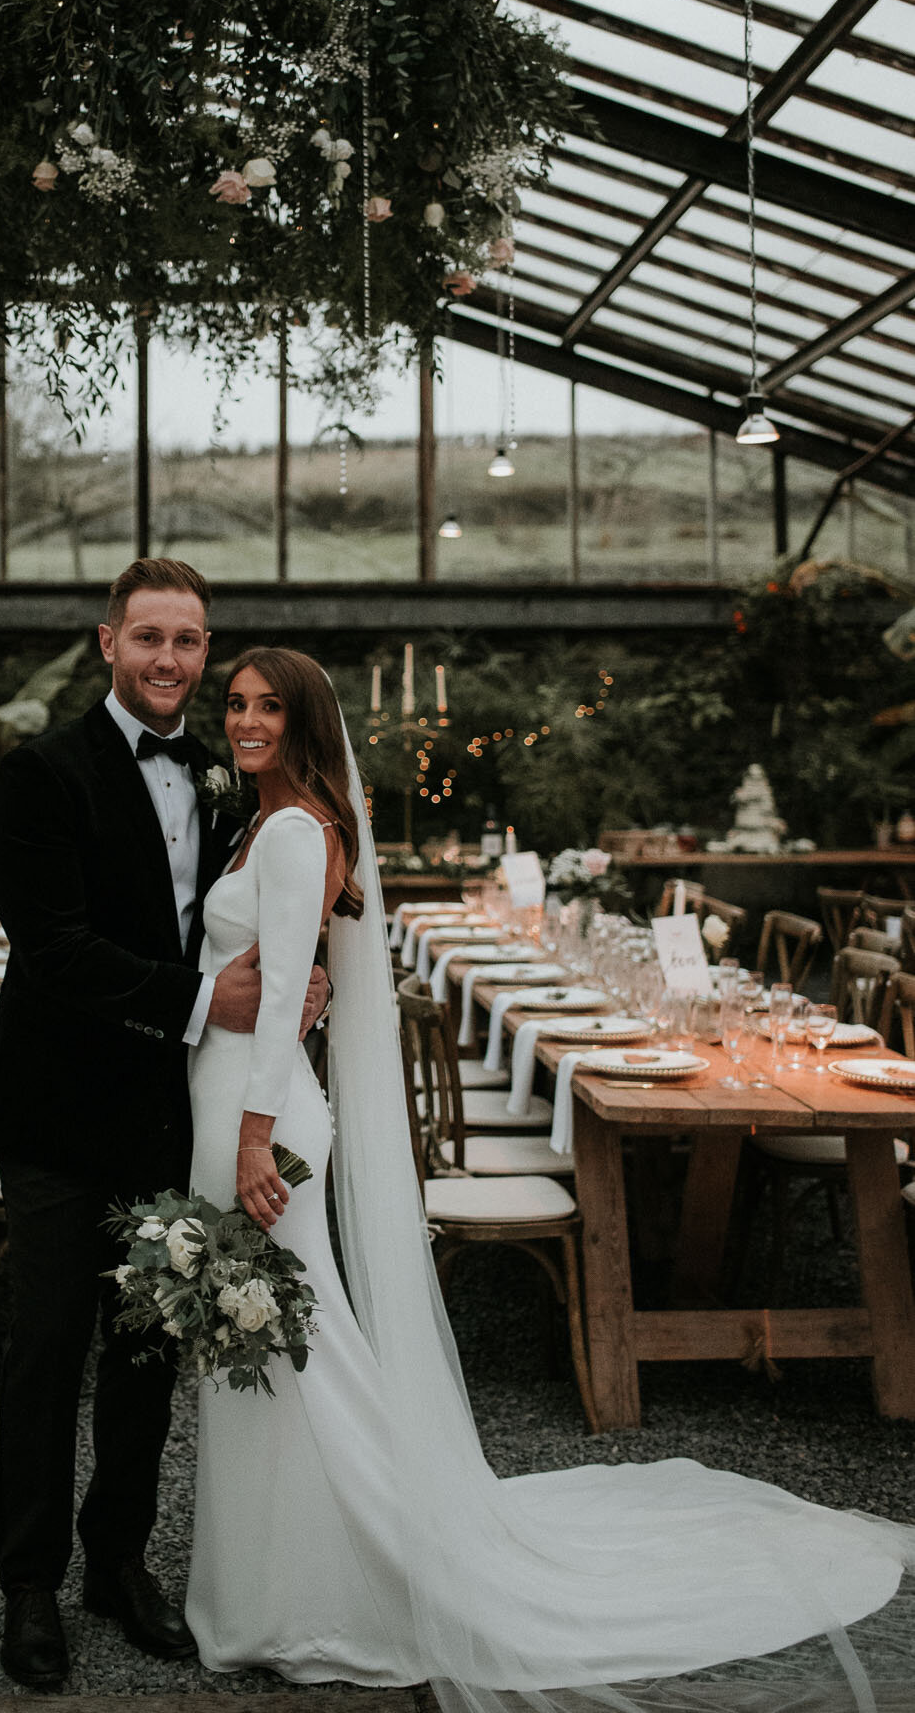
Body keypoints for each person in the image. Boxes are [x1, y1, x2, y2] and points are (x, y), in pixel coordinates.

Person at [184, 645, 915, 1712]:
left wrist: (253, 1134)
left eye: (266, 707)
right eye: (236, 704)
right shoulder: (264, 820)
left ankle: (332, 1579)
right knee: (268, 1337)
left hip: (258, 1113)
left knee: (288, 1336)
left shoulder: (295, 830)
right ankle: (281, 1570)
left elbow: (296, 979)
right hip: (238, 1099)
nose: (245, 721)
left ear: (306, 724)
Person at [0, 562, 326, 1690]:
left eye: (190, 640)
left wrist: (299, 985)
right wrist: (198, 998)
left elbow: (284, 891)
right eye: (150, 638)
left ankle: (115, 1560)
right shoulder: (39, 772)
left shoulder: (228, 776)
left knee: (147, 1349)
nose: (172, 660)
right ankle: (28, 1582)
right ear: (107, 641)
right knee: (44, 1352)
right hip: (56, 1106)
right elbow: (53, 945)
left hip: (168, 1110)